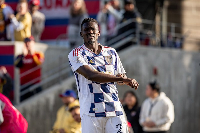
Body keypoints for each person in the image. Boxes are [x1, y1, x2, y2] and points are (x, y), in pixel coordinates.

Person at [68, 18, 139, 133]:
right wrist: (120, 78)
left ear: (98, 32)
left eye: (93, 29)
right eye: (86, 29)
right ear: (81, 34)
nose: (90, 32)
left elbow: (120, 79)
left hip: (114, 110)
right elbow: (91, 75)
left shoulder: (111, 52)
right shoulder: (76, 53)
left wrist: (124, 80)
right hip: (91, 112)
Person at [15, 36, 44, 101]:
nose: (28, 44)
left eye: (29, 42)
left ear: (33, 43)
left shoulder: (38, 54)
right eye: (26, 43)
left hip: (35, 84)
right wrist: (23, 56)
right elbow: (16, 65)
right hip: (23, 85)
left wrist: (32, 54)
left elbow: (39, 64)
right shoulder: (20, 56)